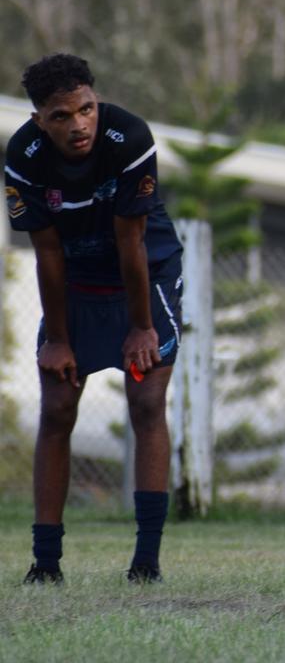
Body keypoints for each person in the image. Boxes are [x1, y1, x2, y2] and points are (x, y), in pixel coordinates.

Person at [5, 54, 183, 585]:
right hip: (75, 275)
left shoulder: (128, 137)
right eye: (62, 115)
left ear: (95, 101)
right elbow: (47, 255)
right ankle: (45, 564)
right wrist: (57, 340)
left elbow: (130, 242)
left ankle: (146, 562)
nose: (79, 124)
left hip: (144, 271)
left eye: (87, 108)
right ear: (41, 120)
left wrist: (141, 326)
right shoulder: (24, 157)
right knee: (58, 407)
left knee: (147, 399)